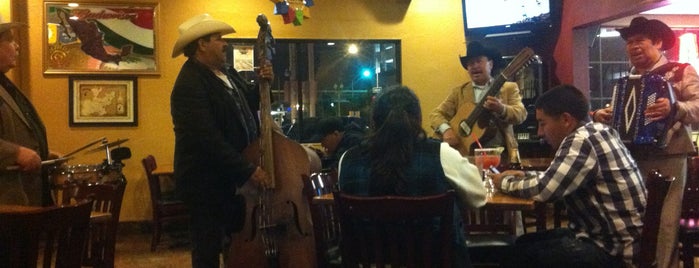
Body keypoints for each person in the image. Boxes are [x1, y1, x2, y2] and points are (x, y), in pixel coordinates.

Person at [492, 85, 646, 267]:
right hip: (616, 239)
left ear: (566, 119)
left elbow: (546, 191)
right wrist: (524, 175)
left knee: (520, 256)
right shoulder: (599, 131)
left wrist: (504, 181)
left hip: (613, 252)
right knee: (524, 242)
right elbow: (557, 177)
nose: (540, 133)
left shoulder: (581, 141)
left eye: (543, 123)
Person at [338, 86, 487, 268]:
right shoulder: (441, 153)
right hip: (435, 261)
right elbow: (478, 197)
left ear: (374, 121)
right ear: (418, 119)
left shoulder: (348, 159)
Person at [591, 16, 699, 268]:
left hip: (669, 154)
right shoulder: (629, 79)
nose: (633, 47)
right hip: (632, 156)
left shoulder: (681, 70)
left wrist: (675, 107)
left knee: (665, 221)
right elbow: (622, 113)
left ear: (658, 42)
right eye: (629, 42)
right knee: (636, 219)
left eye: (639, 40)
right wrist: (601, 114)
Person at [170, 13, 272, 268]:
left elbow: (247, 104)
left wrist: (262, 85)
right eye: (218, 39)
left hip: (229, 179)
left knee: (232, 243)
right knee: (207, 249)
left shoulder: (227, 72)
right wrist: (248, 170)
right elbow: (207, 140)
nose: (225, 44)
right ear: (201, 44)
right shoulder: (189, 83)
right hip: (206, 183)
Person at [429, 41, 526, 162]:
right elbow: (435, 115)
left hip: (500, 156)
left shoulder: (508, 88)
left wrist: (501, 109)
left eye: (479, 61)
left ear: (490, 64)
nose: (474, 66)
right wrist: (446, 130)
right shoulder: (458, 92)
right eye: (470, 63)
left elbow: (521, 114)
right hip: (464, 157)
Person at [0, 15, 53, 207]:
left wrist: (42, 152)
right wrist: (17, 153)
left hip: (20, 201)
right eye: (10, 40)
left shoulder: (5, 84)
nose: (17, 46)